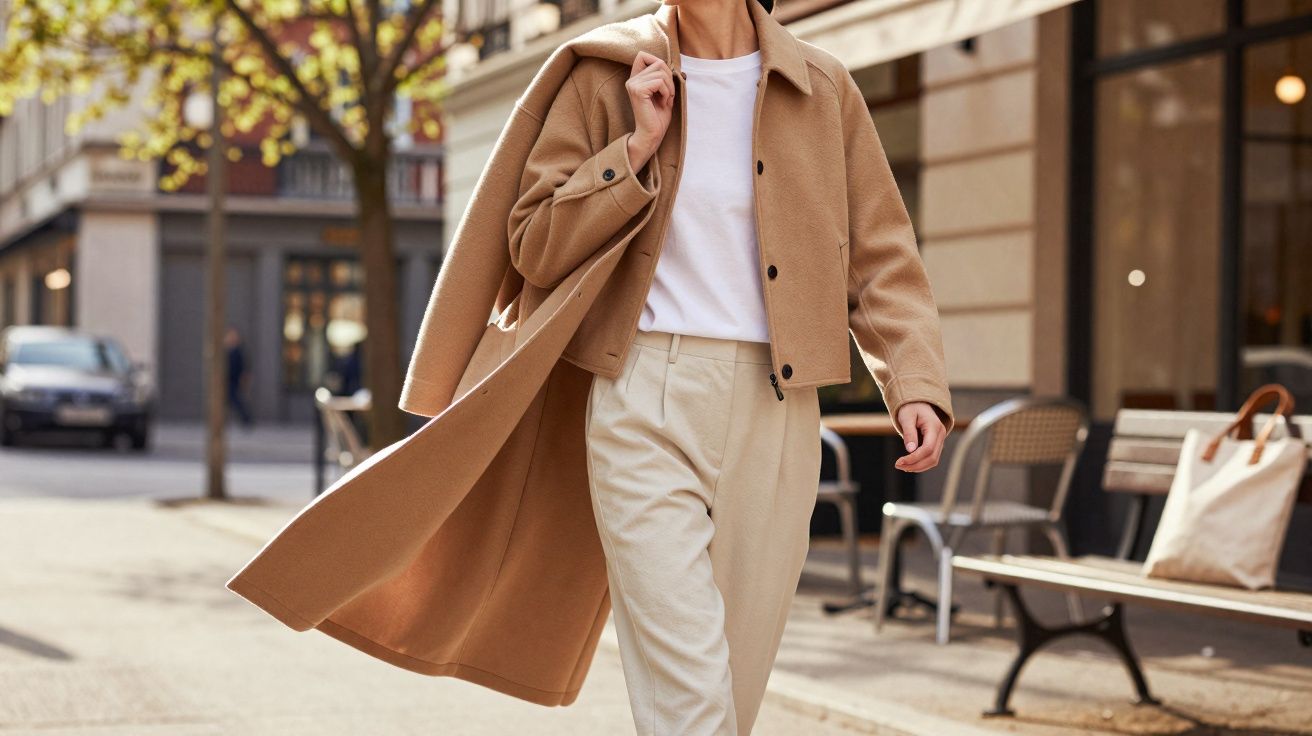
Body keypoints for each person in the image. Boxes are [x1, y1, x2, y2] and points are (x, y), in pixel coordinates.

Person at [508, 0, 953, 733]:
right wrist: (634, 149)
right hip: (643, 399)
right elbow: (535, 244)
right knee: (690, 693)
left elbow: (881, 256)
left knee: (731, 697)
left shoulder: (821, 87)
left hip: (777, 405)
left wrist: (913, 382)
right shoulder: (604, 77)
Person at [224, 326, 253, 429]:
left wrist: (244, 378)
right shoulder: (228, 350)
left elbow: (243, 366)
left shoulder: (238, 351)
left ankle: (246, 419)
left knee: (236, 400)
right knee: (230, 400)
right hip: (228, 379)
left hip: (234, 379)